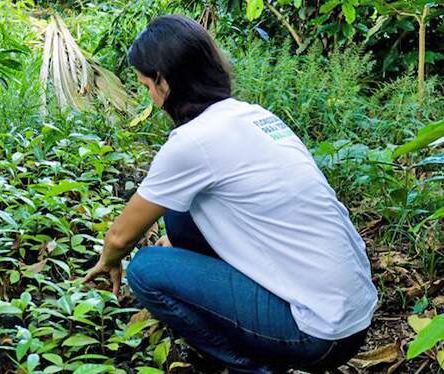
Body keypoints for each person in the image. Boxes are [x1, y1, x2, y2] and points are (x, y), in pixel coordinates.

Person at [82, 15, 377, 374]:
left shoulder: (192, 142)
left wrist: (109, 261)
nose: (149, 95)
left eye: (147, 85)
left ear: (164, 80)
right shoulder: (252, 116)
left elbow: (120, 236)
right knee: (178, 209)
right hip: (354, 313)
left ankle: (250, 367)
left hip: (318, 333)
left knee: (145, 270)